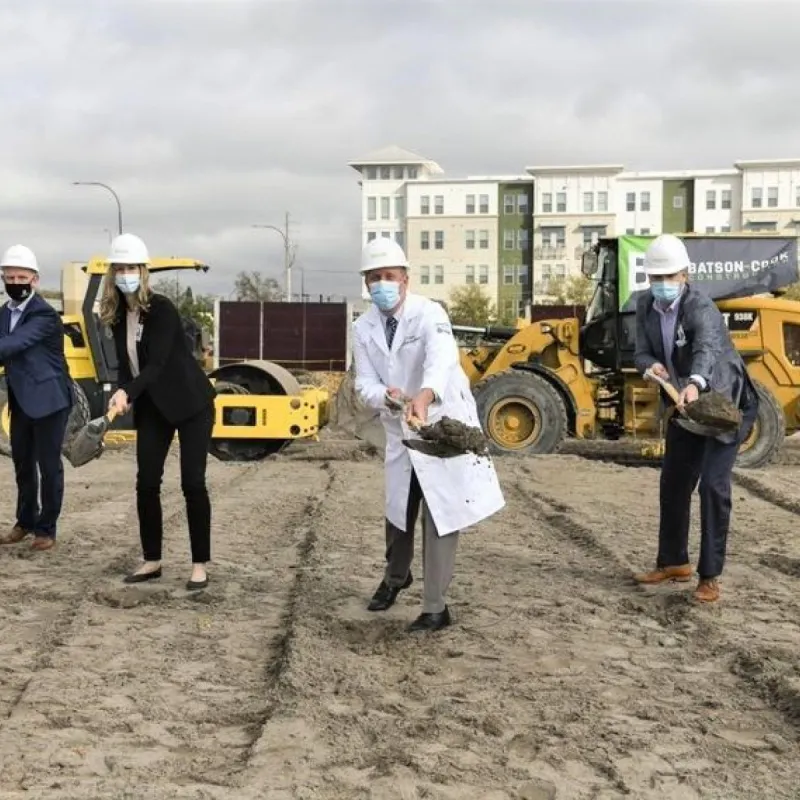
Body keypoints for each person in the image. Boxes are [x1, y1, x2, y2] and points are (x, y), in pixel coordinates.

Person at [352, 238, 506, 632]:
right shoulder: (362, 326)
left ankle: (436, 606)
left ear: (404, 278)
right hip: (399, 423)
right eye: (374, 278)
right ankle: (395, 576)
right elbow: (364, 382)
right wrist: (384, 396)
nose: (381, 284)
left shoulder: (429, 313)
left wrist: (425, 394)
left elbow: (441, 359)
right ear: (366, 284)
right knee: (399, 509)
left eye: (389, 276)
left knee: (440, 512)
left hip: (440, 422)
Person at [632, 233, 759, 603]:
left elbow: (706, 348)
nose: (662, 285)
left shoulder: (701, 307)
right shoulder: (644, 306)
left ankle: (709, 576)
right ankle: (673, 562)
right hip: (683, 407)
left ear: (685, 275)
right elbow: (640, 352)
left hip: (722, 405)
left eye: (669, 277)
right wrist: (650, 367)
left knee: (712, 487)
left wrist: (695, 382)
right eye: (656, 278)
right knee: (673, 483)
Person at [100, 233, 217, 590]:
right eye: (119, 268)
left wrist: (128, 392)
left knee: (192, 483)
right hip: (153, 407)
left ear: (143, 270)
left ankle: (199, 565)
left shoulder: (162, 308)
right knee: (146, 482)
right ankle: (152, 560)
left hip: (190, 403)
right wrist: (122, 391)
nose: (125, 274)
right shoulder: (118, 316)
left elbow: (157, 365)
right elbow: (126, 366)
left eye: (131, 267)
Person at [0, 244, 73, 551]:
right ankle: (25, 521)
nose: (15, 281)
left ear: (35, 280)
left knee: (48, 466)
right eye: (9, 276)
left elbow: (12, 345)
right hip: (20, 400)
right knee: (22, 464)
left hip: (49, 400)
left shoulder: (43, 314)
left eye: (21, 276)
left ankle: (46, 529)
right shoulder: (3, 313)